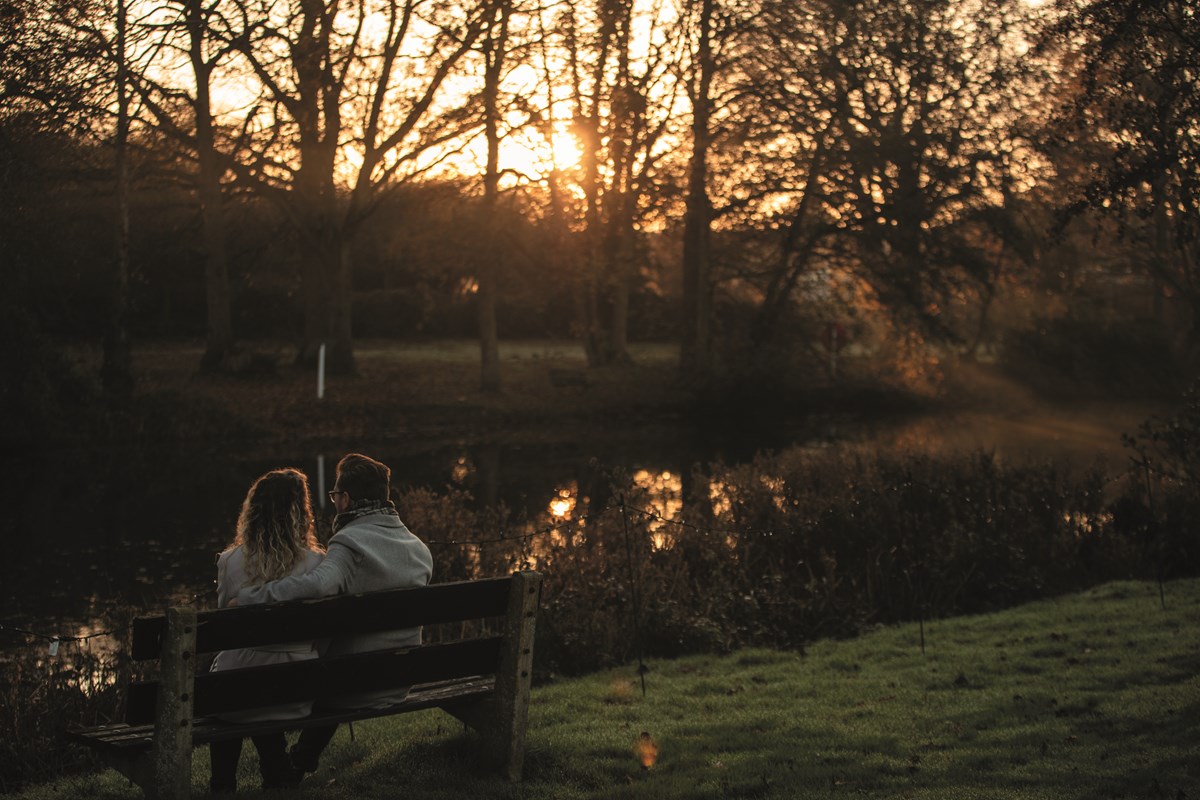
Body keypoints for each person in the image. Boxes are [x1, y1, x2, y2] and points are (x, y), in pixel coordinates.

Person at [234, 453, 434, 776]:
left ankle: (290, 763)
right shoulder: (419, 550)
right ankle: (302, 758)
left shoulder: (350, 543)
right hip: (399, 681)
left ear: (346, 499)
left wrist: (250, 596)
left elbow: (317, 585)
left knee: (271, 675)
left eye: (335, 497)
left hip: (353, 685)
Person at [209, 468, 325, 793]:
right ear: (301, 512)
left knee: (239, 682)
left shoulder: (229, 561)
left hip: (237, 695)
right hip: (295, 694)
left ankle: (222, 784)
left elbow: (223, 627)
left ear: (253, 510)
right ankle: (276, 775)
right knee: (266, 681)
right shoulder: (318, 564)